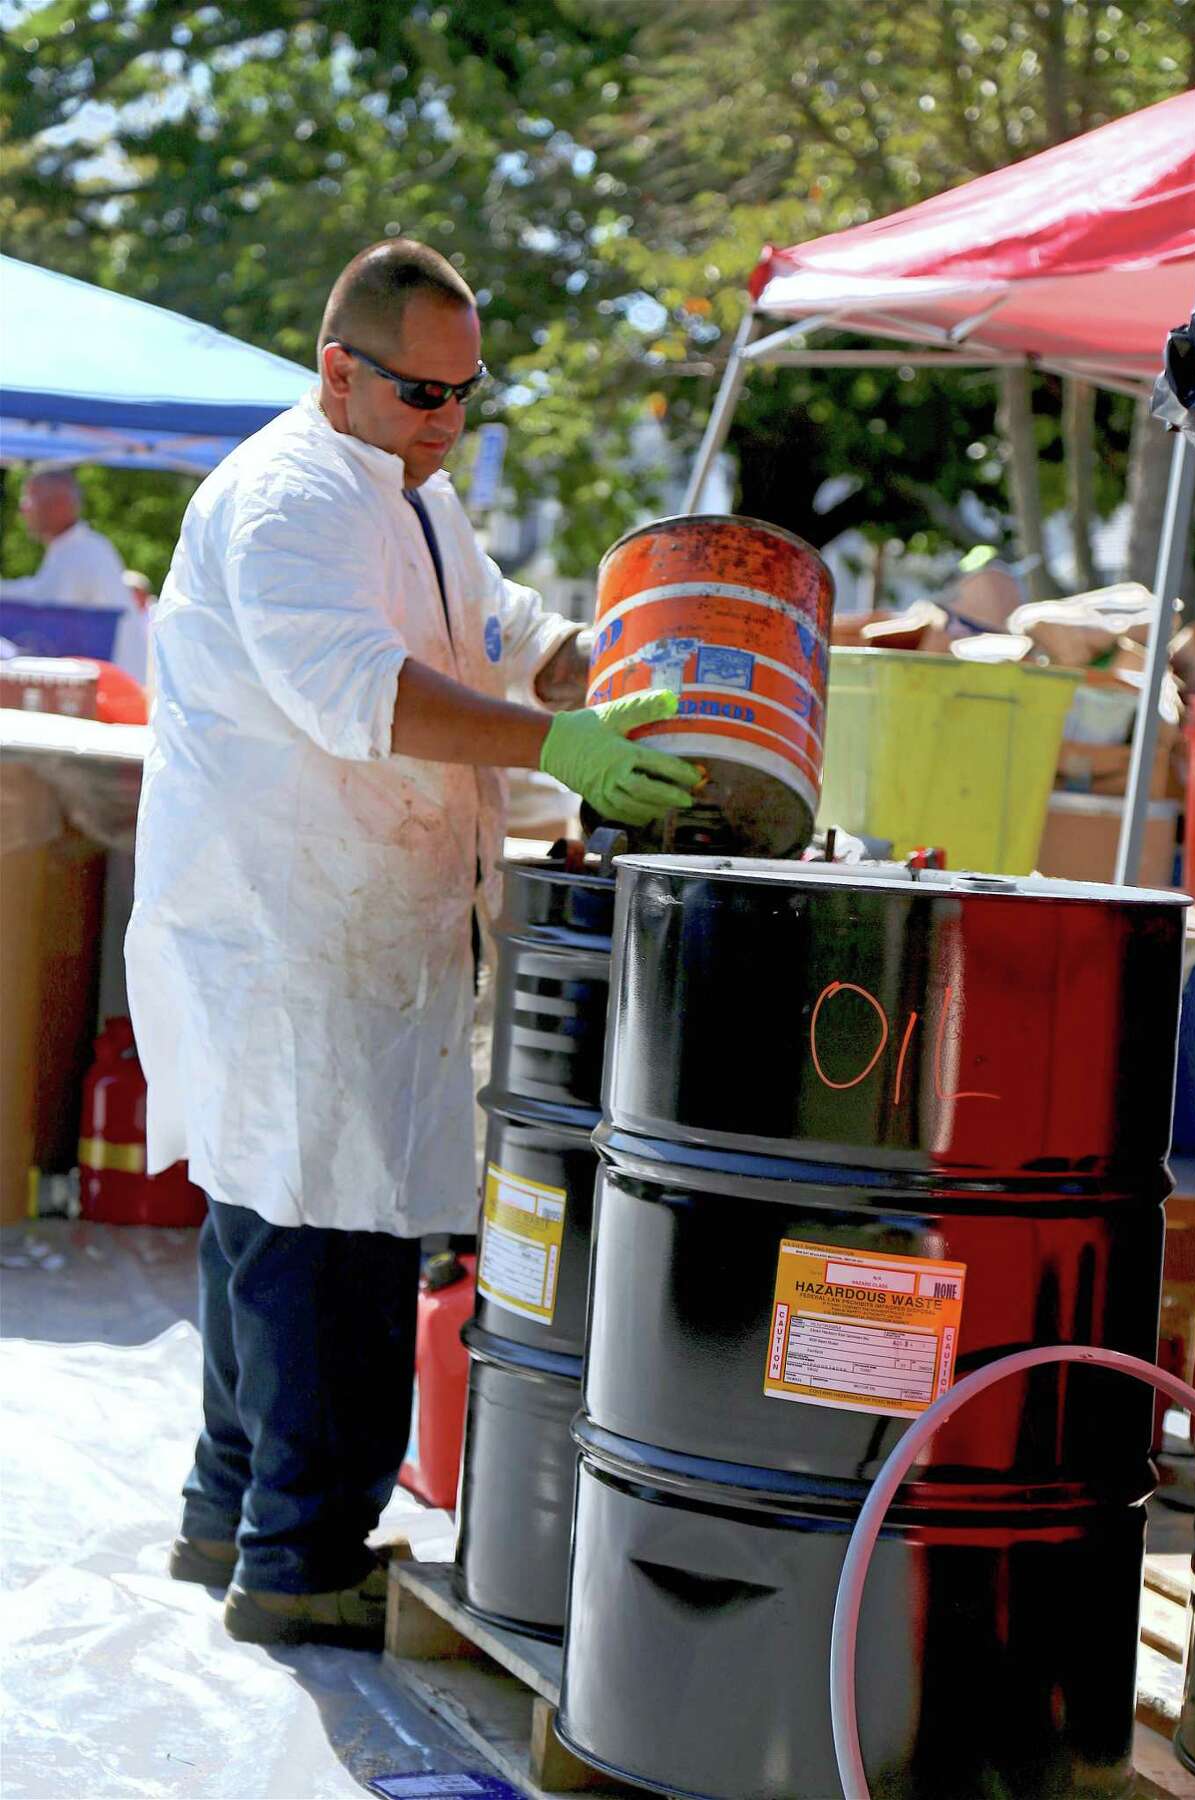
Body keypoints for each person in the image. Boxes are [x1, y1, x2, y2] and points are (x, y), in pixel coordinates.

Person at [125, 238, 700, 1650]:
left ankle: (233, 1512)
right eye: (421, 393)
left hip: (358, 922)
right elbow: (360, 694)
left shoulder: (412, 495)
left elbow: (488, 628)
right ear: (340, 368)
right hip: (289, 922)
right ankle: (303, 1560)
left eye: (465, 394)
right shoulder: (288, 500)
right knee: (332, 1243)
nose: (447, 420)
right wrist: (558, 742)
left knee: (271, 1223)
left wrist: (587, 662)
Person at [3, 469, 132, 653]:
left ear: (60, 504)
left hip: (110, 678)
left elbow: (44, 610)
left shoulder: (81, 552)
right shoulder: (80, 547)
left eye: (29, 499)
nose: (23, 509)